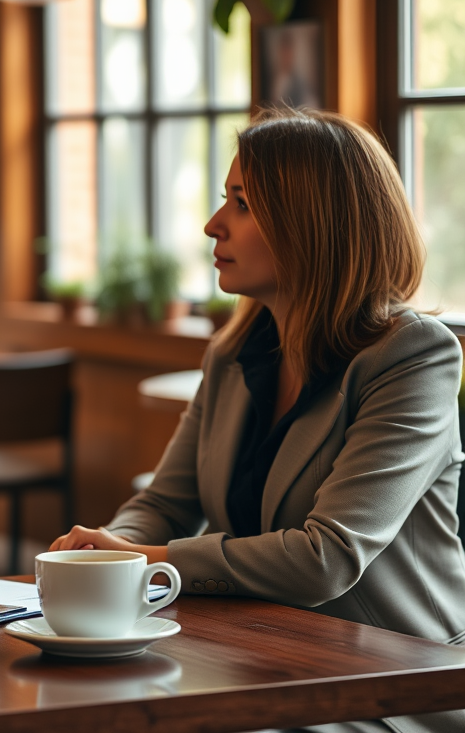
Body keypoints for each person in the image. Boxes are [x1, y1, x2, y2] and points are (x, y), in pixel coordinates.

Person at [52, 108, 465, 733]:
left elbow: (326, 557)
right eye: (225, 200)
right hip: (260, 658)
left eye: (242, 204)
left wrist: (143, 558)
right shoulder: (232, 353)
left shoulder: (413, 357)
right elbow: (163, 503)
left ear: (312, 224)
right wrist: (103, 561)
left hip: (394, 683)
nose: (212, 224)